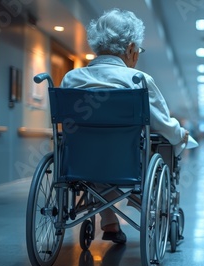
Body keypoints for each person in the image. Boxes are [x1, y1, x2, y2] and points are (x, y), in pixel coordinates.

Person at [60, 8, 189, 244]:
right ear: (130, 48)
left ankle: (109, 222)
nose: (137, 55)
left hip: (78, 163)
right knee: (142, 151)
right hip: (127, 164)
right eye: (137, 50)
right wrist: (181, 133)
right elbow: (162, 125)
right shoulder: (137, 80)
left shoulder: (71, 79)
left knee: (97, 152)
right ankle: (148, 214)